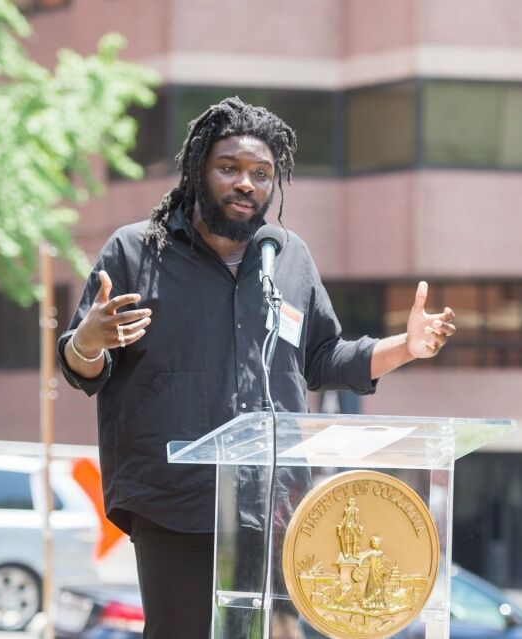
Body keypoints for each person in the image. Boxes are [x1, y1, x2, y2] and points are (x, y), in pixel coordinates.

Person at [57, 97, 457, 638]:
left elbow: (322, 358)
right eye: (230, 169)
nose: (246, 184)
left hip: (276, 502)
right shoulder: (136, 251)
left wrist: (405, 347)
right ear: (198, 170)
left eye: (261, 174)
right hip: (177, 500)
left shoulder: (287, 257)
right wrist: (86, 340)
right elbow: (84, 369)